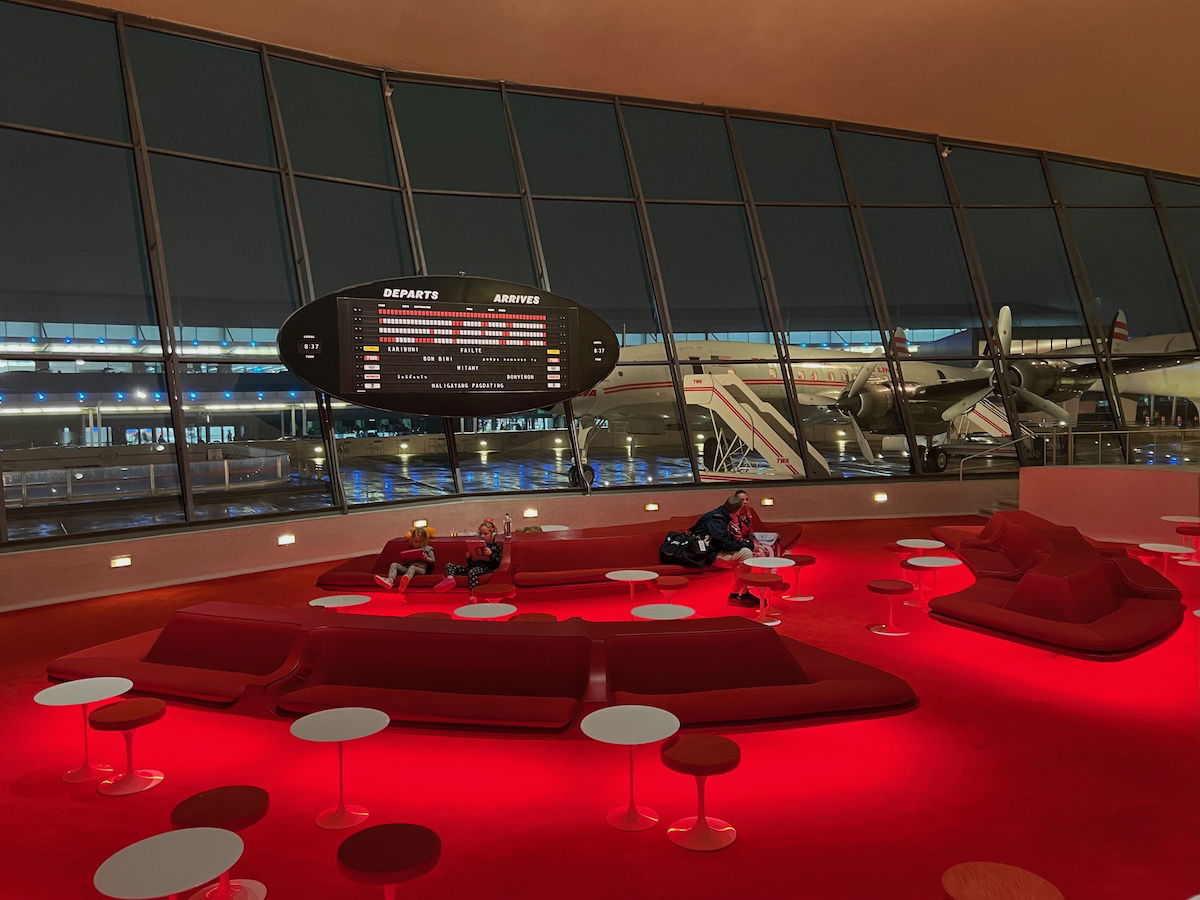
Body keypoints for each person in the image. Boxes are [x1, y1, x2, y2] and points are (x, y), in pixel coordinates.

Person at [691, 494, 757, 606]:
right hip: (706, 555)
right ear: (737, 510)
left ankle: (742, 592)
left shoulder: (720, 516)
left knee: (746, 552)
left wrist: (746, 544)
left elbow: (726, 542)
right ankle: (737, 594)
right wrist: (748, 545)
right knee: (746, 554)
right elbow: (725, 544)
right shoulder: (716, 520)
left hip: (712, 550)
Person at [436, 518, 504, 593]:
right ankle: (450, 579)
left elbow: (497, 563)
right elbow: (471, 563)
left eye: (485, 534)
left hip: (486, 568)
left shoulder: (495, 546)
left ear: (493, 534)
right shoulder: (477, 544)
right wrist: (469, 557)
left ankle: (474, 594)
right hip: (472, 567)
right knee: (449, 565)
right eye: (481, 534)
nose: (482, 536)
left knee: (472, 572)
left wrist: (491, 554)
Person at [374, 526, 435, 594]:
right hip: (408, 568)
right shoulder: (411, 549)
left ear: (425, 540)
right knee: (394, 564)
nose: (418, 544)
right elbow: (405, 563)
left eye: (420, 542)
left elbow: (433, 561)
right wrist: (406, 559)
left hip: (421, 570)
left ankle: (405, 581)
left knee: (412, 567)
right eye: (416, 541)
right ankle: (389, 581)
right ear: (412, 540)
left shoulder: (428, 549)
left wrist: (426, 558)